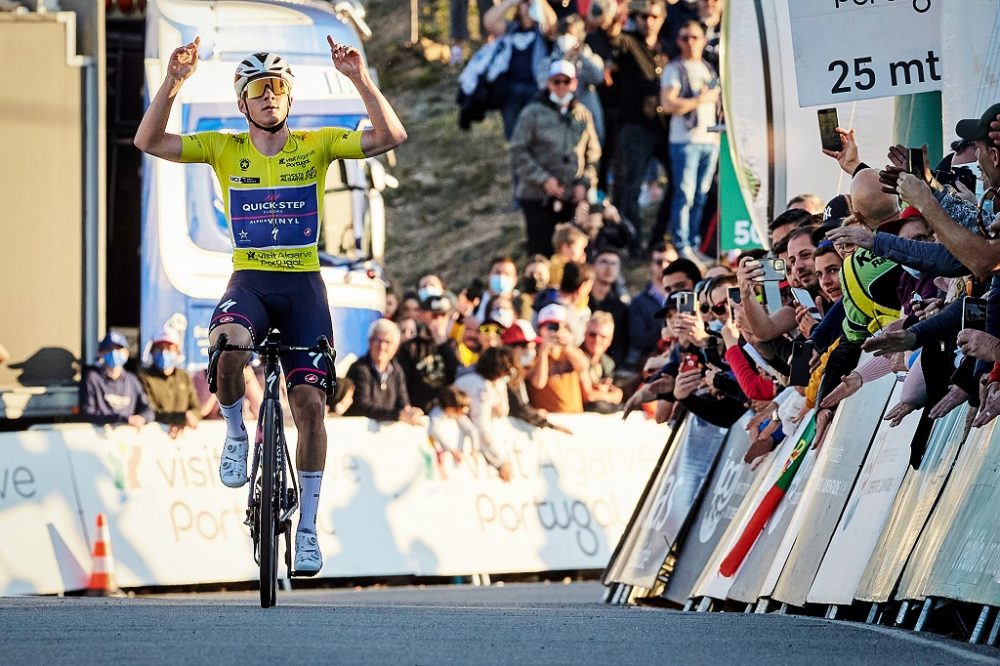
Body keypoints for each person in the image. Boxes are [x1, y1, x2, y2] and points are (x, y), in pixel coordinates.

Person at [133, 37, 408, 573]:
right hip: (251, 285)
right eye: (258, 90)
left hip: (304, 288)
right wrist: (174, 81)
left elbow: (392, 135)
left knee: (308, 408)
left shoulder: (318, 143)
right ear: (243, 104)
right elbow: (148, 140)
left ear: (289, 98)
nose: (269, 97)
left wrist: (358, 78)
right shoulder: (223, 148)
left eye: (278, 88)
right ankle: (236, 433)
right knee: (227, 349)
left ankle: (306, 530)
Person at [510, 60, 601, 256]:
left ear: (574, 83)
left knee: (573, 254)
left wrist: (584, 182)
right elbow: (518, 151)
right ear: (549, 83)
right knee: (541, 252)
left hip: (572, 196)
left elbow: (593, 153)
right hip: (538, 197)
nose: (561, 86)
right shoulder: (532, 113)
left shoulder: (582, 114)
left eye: (565, 81)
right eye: (556, 81)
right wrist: (543, 180)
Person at [609, 0, 669, 255]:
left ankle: (657, 239)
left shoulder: (666, 47)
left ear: (662, 19)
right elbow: (613, 38)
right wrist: (617, 16)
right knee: (631, 186)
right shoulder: (629, 41)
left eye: (654, 17)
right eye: (643, 17)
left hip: (664, 127)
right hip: (636, 128)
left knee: (676, 184)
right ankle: (632, 243)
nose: (649, 22)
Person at [659, 19, 719, 257]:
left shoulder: (707, 68)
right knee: (685, 193)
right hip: (685, 141)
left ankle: (694, 243)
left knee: (700, 195)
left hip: (709, 140)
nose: (690, 42)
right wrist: (699, 100)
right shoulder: (675, 69)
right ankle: (682, 243)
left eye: (694, 37)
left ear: (703, 40)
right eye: (685, 38)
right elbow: (668, 103)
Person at [346, 319, 425, 424]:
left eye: (387, 342)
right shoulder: (359, 369)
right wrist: (397, 414)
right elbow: (362, 406)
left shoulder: (397, 371)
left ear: (396, 346)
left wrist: (411, 413)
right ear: (370, 342)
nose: (382, 347)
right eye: (378, 340)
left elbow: (403, 403)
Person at [454, 347, 516, 481]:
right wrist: (500, 461)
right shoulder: (480, 387)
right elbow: (481, 427)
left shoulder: (496, 384)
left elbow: (503, 410)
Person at [398, 294, 461, 413]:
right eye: (434, 315)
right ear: (422, 315)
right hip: (420, 410)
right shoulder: (410, 347)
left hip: (445, 411)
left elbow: (458, 374)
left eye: (443, 315)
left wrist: (443, 345)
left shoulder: (451, 345)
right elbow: (403, 383)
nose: (439, 320)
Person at [81, 331, 154, 427]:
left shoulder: (132, 380)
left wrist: (142, 417)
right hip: (102, 437)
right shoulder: (93, 378)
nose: (114, 353)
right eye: (109, 349)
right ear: (100, 353)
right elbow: (87, 414)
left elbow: (148, 410)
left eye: (119, 349)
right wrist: (121, 419)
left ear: (127, 353)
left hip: (128, 437)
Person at [139, 327, 201, 439]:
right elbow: (150, 411)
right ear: (152, 352)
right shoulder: (144, 377)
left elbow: (195, 408)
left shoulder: (184, 377)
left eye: (169, 348)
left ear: (177, 352)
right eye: (159, 348)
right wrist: (180, 418)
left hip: (182, 443)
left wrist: (191, 417)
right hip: (153, 439)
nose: (164, 353)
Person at [527, 304, 589, 412]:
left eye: (559, 326)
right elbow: (539, 383)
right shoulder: (533, 354)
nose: (554, 331)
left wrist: (568, 347)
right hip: (550, 421)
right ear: (540, 329)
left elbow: (584, 367)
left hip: (576, 418)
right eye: (549, 326)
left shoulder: (570, 351)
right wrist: (543, 353)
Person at [588, 248, 630, 362]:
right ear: (593, 266)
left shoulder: (621, 307)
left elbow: (620, 346)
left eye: (614, 264)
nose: (609, 268)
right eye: (603, 262)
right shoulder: (581, 299)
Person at [580, 311, 623, 412]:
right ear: (585, 334)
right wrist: (610, 395)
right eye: (592, 334)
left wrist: (604, 393)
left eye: (603, 337)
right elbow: (589, 396)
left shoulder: (608, 363)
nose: (597, 340)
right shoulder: (577, 357)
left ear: (610, 340)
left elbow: (617, 393)